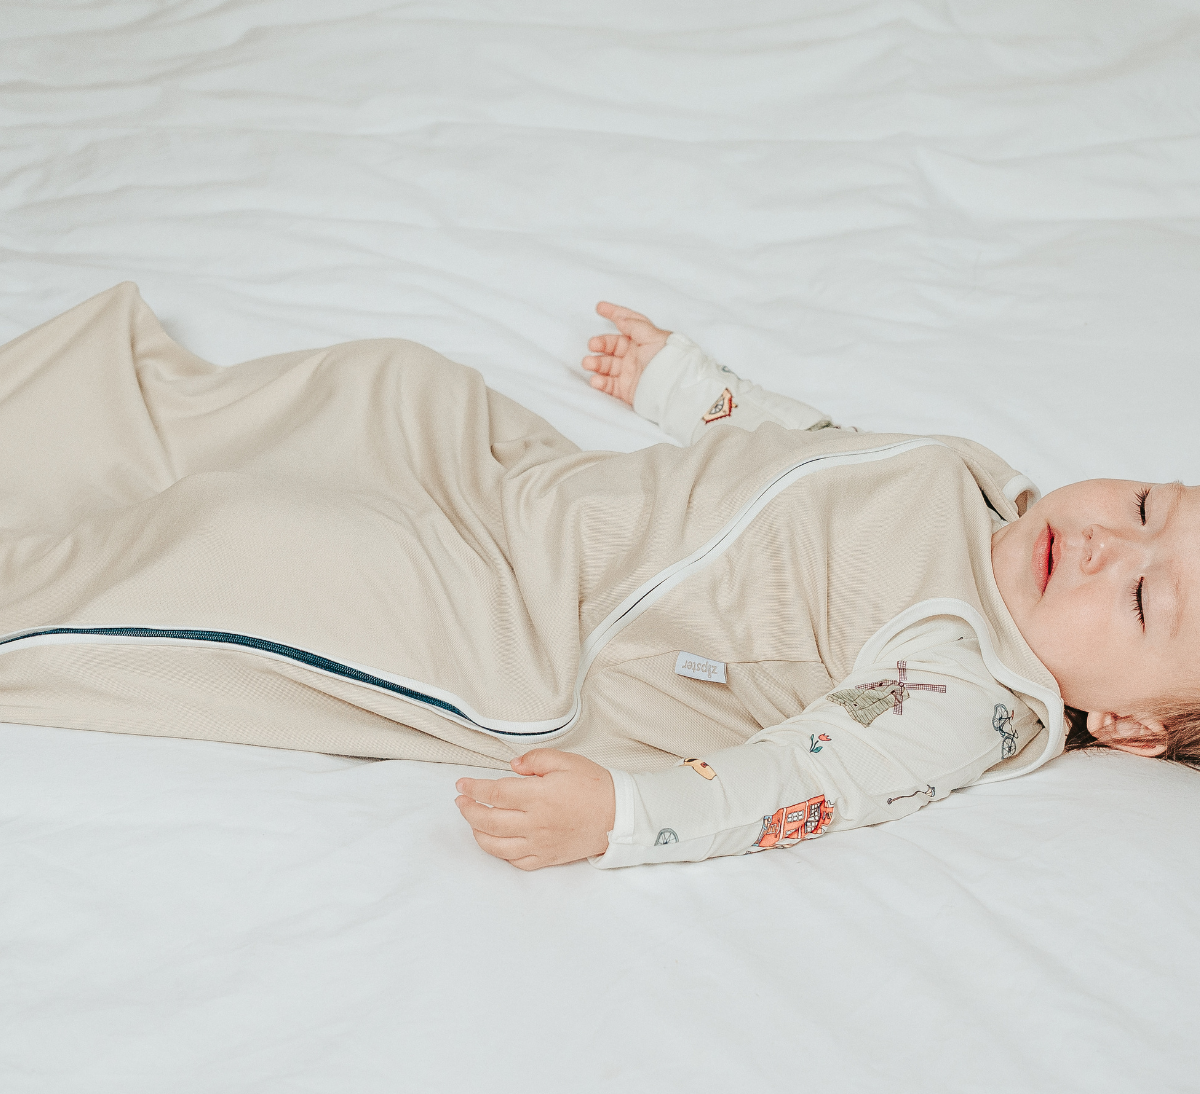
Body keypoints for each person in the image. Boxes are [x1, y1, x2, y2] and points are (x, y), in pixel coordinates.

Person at [1, 288, 1194, 873]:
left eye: (1144, 600)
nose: (1108, 546)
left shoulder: (963, 690)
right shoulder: (986, 489)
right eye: (1147, 509)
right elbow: (818, 449)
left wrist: (621, 819)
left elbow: (797, 784)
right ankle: (59, 429)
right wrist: (687, 389)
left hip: (544, 635)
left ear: (1130, 727)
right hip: (558, 501)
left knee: (250, 545)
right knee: (394, 384)